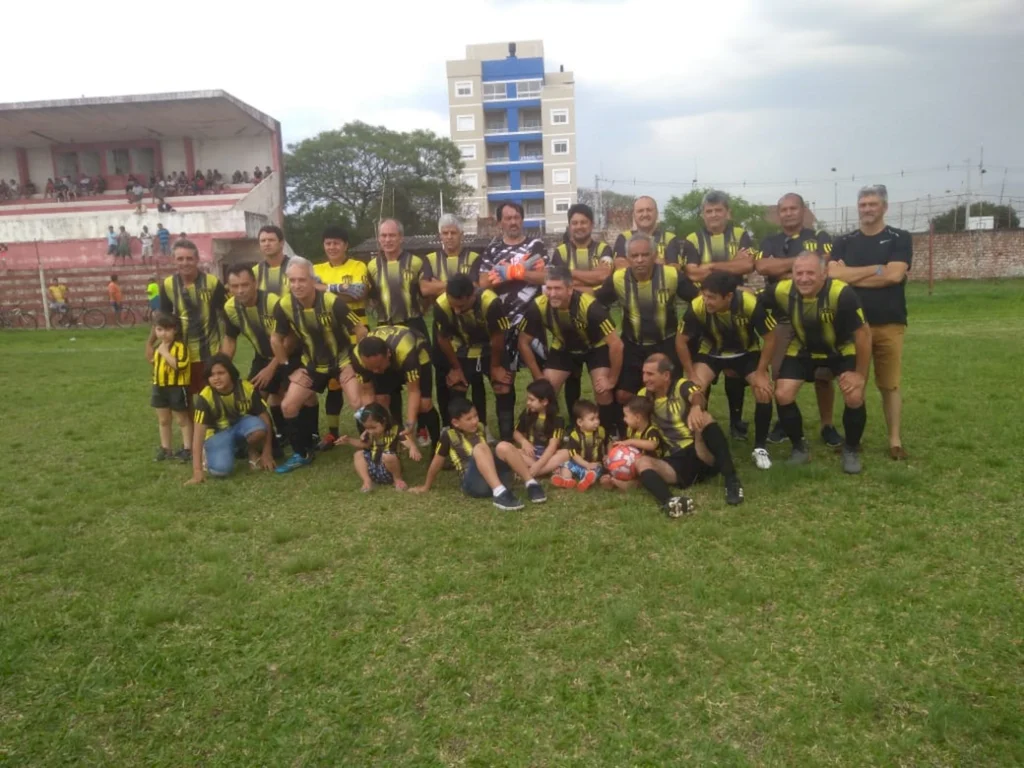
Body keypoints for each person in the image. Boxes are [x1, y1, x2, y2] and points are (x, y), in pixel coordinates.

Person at [758, 252, 872, 474]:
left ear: (824, 273)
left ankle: (850, 448)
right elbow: (755, 301)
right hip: (804, 349)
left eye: (810, 273)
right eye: (798, 273)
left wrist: (860, 375)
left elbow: (863, 335)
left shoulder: (842, 293)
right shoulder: (783, 290)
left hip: (840, 350)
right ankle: (799, 448)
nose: (804, 278)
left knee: (854, 395)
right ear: (792, 275)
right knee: (782, 394)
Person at [829, 184, 912, 460]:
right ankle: (854, 440)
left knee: (889, 384)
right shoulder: (843, 241)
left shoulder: (900, 238)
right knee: (854, 382)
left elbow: (894, 276)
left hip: (889, 321)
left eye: (873, 204)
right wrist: (877, 268)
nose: (867, 209)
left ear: (884, 207)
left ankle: (895, 441)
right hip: (851, 324)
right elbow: (833, 277)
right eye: (863, 204)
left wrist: (851, 274)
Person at [756, 192, 841, 447]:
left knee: (824, 374)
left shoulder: (820, 237)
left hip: (817, 314)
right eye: (783, 209)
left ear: (803, 211)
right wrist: (804, 262)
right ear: (778, 213)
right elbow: (762, 267)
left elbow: (825, 264)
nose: (789, 213)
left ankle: (827, 425)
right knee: (780, 371)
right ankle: (784, 422)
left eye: (793, 208)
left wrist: (782, 267)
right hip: (783, 316)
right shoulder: (769, 241)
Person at [271, 257, 366, 473]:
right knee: (288, 406)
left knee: (357, 402)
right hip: (313, 364)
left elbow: (361, 330)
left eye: (302, 280)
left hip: (342, 361)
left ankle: (369, 448)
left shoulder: (332, 302)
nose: (297, 285)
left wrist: (356, 364)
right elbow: (276, 339)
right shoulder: (284, 305)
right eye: (292, 280)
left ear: (313, 281)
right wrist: (289, 369)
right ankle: (301, 453)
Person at [675, 272, 777, 469]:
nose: (706, 301)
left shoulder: (749, 304)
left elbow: (771, 338)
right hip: (711, 353)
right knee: (694, 389)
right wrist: (691, 374)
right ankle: (698, 442)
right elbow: (681, 342)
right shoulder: (697, 306)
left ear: (728, 296)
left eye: (712, 297)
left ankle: (760, 448)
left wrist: (762, 372)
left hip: (745, 352)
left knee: (764, 391)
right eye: (704, 295)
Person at [682, 190, 760, 440]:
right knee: (702, 371)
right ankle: (701, 422)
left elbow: (747, 266)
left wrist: (712, 266)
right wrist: (730, 266)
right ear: (703, 214)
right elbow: (692, 273)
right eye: (709, 211)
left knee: (733, 368)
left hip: (733, 305)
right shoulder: (693, 238)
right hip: (703, 311)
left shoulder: (740, 234)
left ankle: (736, 422)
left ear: (728, 213)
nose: (714, 215)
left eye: (718, 210)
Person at [470, 201, 549, 440]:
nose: (513, 222)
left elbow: (545, 275)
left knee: (542, 380)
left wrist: (514, 272)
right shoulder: (493, 248)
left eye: (516, 217)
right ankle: (506, 436)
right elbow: (483, 282)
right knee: (503, 382)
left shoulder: (536, 245)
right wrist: (505, 276)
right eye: (508, 218)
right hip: (503, 323)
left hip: (533, 320)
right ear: (500, 222)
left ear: (522, 219)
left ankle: (543, 430)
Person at [594, 233, 698, 412]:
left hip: (666, 344)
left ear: (655, 255)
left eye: (645, 255)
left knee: (670, 394)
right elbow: (597, 304)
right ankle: (627, 429)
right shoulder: (618, 278)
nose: (640, 260)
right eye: (635, 256)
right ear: (628, 258)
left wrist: (686, 329)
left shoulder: (672, 275)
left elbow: (697, 302)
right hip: (633, 345)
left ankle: (667, 426)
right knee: (622, 395)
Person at [635, 353, 746, 515]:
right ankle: (670, 503)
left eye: (650, 374)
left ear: (666, 375)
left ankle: (731, 480)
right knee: (642, 462)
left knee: (705, 418)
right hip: (676, 461)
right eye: (643, 373)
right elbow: (634, 420)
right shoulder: (643, 395)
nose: (645, 378)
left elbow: (697, 396)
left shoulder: (681, 385)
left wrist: (695, 407)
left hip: (700, 452)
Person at [518, 264, 623, 434]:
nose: (552, 293)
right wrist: (539, 377)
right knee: (543, 392)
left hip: (595, 347)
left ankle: (608, 432)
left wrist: (611, 380)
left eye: (558, 288)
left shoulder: (589, 306)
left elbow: (616, 344)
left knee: (602, 389)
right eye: (549, 288)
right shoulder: (538, 305)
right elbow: (523, 342)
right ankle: (541, 432)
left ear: (569, 289)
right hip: (564, 347)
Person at [411, 398, 546, 509]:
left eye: (476, 416)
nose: (475, 421)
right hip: (473, 484)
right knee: (480, 448)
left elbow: (498, 452)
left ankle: (531, 484)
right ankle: (500, 495)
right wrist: (426, 486)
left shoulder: (480, 428)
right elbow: (437, 461)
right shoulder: (448, 435)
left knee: (504, 445)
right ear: (456, 422)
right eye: (469, 419)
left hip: (494, 476)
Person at [220, 264, 295, 451]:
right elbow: (230, 340)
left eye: (244, 285)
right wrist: (220, 368)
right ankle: (273, 441)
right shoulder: (230, 308)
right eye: (234, 286)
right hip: (262, 357)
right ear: (228, 287)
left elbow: (292, 338)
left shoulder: (272, 303)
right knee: (251, 398)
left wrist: (271, 368)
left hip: (289, 355)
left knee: (290, 397)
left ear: (254, 283)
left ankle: (305, 437)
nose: (240, 290)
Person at [313, 225, 369, 450]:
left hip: (357, 335)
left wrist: (324, 289)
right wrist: (340, 289)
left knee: (358, 387)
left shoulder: (358, 265)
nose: (332, 247)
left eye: (337, 243)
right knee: (334, 387)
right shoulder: (316, 268)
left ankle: (365, 431)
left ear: (346, 245)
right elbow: (309, 290)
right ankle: (332, 434)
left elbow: (359, 292)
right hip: (329, 338)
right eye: (328, 243)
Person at [423, 214, 481, 425]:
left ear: (461, 235)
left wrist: (440, 284)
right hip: (442, 322)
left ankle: (478, 423)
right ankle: (449, 427)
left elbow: (476, 287)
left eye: (453, 233)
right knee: (443, 376)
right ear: (440, 236)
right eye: (445, 233)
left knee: (473, 378)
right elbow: (424, 288)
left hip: (469, 323)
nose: (449, 237)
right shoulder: (430, 259)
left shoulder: (474, 257)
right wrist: (457, 284)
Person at [149, 239, 227, 394]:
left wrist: (225, 349)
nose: (185, 263)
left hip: (210, 352)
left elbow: (227, 315)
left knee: (212, 397)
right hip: (180, 353)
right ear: (174, 260)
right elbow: (162, 318)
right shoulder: (168, 284)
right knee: (186, 399)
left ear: (197, 259)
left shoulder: (211, 283)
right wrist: (149, 343)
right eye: (180, 259)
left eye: (189, 258)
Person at [432, 273, 509, 429]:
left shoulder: (491, 302)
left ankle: (506, 439)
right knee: (457, 385)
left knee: (503, 385)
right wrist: (456, 368)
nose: (457, 311)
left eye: (461, 306)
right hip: (462, 347)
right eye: (453, 306)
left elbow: (498, 336)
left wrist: (495, 367)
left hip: (489, 347)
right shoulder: (441, 305)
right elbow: (443, 338)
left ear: (472, 295)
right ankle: (460, 435)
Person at [185, 355, 275, 485]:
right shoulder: (205, 397)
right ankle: (212, 451)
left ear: (231, 373)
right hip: (217, 434)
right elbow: (198, 436)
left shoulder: (246, 388)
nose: (216, 378)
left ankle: (252, 450)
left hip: (241, 427)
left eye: (221, 373)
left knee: (259, 428)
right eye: (211, 375)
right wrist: (197, 471)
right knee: (221, 471)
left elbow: (265, 419)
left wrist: (267, 453)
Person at [351, 325, 441, 451]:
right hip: (389, 360)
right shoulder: (357, 358)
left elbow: (413, 391)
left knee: (423, 404)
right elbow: (367, 393)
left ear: (388, 354)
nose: (375, 371)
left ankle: (438, 448)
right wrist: (370, 423)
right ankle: (395, 439)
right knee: (381, 400)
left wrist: (410, 426)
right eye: (370, 368)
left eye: (378, 366)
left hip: (417, 354)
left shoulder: (407, 353)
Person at [338, 403, 421, 492]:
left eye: (374, 427)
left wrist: (412, 447)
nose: (371, 431)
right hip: (374, 468)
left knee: (388, 456)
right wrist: (349, 440)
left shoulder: (395, 429)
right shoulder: (369, 433)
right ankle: (367, 481)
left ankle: (398, 480)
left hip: (389, 469)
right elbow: (365, 445)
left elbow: (405, 440)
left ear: (384, 421)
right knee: (358, 455)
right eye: (367, 428)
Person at [150, 312, 193, 462]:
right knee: (163, 420)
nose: (163, 334)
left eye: (167, 330)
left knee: (182, 419)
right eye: (160, 329)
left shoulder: (180, 347)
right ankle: (166, 448)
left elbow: (180, 366)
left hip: (177, 387)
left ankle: (188, 448)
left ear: (175, 330)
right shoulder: (157, 347)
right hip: (159, 387)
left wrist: (165, 353)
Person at [551, 400, 612, 491]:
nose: (597, 422)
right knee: (566, 465)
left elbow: (609, 442)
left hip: (596, 464)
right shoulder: (575, 435)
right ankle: (566, 480)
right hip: (579, 464)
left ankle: (586, 480)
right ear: (580, 422)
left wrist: (609, 455)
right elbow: (573, 454)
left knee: (597, 470)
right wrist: (586, 464)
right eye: (592, 419)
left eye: (597, 418)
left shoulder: (601, 431)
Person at [514, 379, 566, 478]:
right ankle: (548, 470)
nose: (528, 403)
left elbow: (552, 446)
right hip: (531, 453)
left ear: (545, 402)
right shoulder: (527, 413)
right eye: (528, 399)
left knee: (565, 453)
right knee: (512, 451)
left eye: (532, 400)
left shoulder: (557, 418)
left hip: (549, 455)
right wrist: (524, 442)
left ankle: (531, 473)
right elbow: (516, 432)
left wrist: (538, 465)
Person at [608, 396, 663, 491]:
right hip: (634, 464)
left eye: (626, 416)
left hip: (650, 467)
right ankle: (612, 480)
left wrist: (631, 441)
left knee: (642, 478)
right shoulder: (631, 430)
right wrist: (611, 456)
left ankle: (629, 485)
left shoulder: (651, 431)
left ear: (637, 417)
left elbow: (652, 445)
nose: (624, 419)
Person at [611, 196, 680, 266]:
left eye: (649, 210)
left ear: (657, 213)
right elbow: (619, 265)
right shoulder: (625, 237)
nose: (645, 214)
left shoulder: (669, 238)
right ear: (634, 215)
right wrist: (655, 264)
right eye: (640, 211)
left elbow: (675, 270)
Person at [252, 224, 290, 297]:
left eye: (271, 240)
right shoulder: (255, 272)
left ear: (282, 243)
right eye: (263, 241)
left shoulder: (296, 267)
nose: (267, 244)